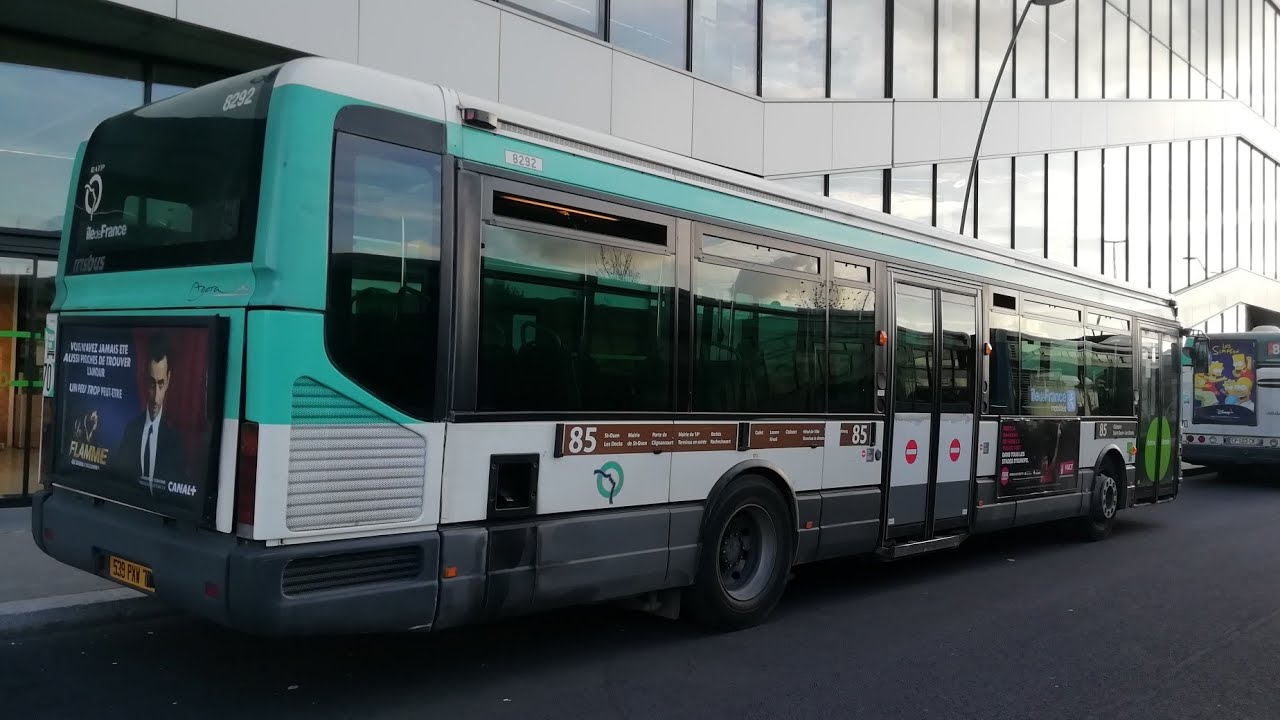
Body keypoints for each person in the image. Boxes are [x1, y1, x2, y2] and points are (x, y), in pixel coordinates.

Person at [113, 332, 187, 492]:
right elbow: (116, 480)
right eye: (152, 384)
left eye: (161, 384)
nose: (156, 397)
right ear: (144, 380)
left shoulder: (175, 440)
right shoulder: (131, 430)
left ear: (169, 380)